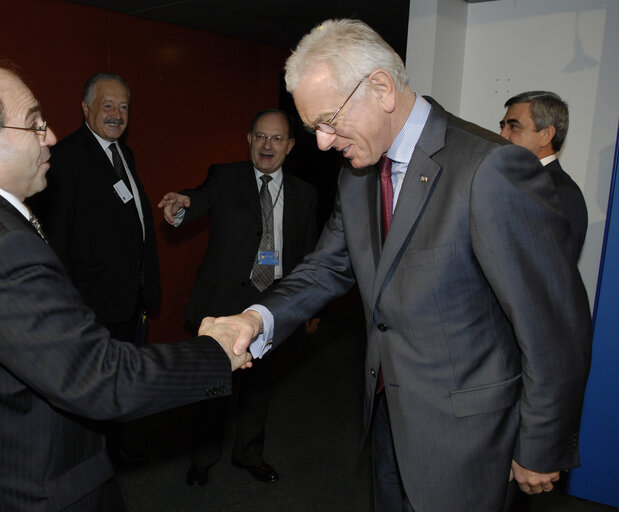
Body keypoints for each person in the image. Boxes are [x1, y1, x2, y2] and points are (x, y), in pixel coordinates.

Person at [218, 19, 592, 512]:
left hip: (469, 438)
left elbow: (553, 323)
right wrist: (254, 318)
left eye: (329, 120)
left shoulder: (491, 169)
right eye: (314, 130)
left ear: (381, 88)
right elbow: (326, 269)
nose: (324, 143)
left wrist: (542, 444)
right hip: (388, 415)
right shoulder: (356, 176)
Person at [0, 63, 250, 512]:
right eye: (35, 124)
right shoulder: (1, 248)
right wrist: (214, 352)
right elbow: (102, 378)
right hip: (17, 489)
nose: (51, 136)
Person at [159, 109, 318, 487]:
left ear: (290, 146)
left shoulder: (305, 193)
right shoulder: (226, 177)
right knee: (214, 386)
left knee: (260, 387)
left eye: (277, 139)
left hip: (274, 303)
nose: (267, 145)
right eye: (261, 136)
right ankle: (202, 459)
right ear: (249, 138)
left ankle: (249, 453)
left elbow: (311, 253)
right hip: (225, 304)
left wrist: (313, 306)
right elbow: (198, 199)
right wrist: (182, 207)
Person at [30, 72, 159, 347]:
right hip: (90, 308)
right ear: (86, 108)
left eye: (124, 107)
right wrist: (69, 307)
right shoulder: (65, 159)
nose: (117, 114)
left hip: (130, 303)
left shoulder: (124, 154)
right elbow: (56, 242)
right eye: (108, 105)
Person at [500, 90, 588, 262]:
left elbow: (549, 271)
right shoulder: (516, 182)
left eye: (514, 126)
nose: (503, 135)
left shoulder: (561, 194)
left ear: (546, 135)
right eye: (502, 126)